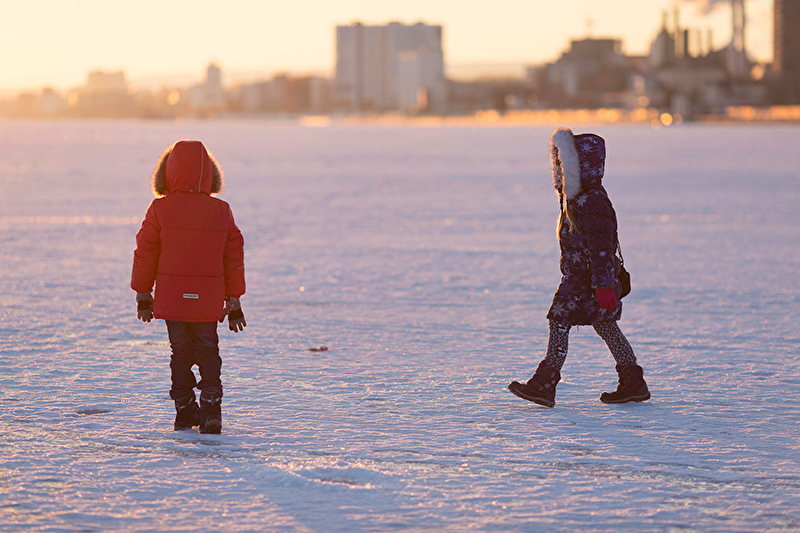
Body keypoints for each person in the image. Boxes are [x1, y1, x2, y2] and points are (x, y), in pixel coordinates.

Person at [508, 128, 649, 407]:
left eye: (566, 164)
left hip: (586, 280)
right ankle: (633, 382)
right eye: (558, 164)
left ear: (580, 166)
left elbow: (601, 247)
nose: (561, 170)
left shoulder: (592, 200)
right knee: (605, 325)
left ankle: (545, 384)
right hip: (582, 278)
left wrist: (603, 285)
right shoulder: (579, 199)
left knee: (559, 320)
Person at [131, 140, 246, 433]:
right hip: (207, 299)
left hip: (172, 300)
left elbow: (145, 252)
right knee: (208, 350)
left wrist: (143, 295)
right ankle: (211, 410)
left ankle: (184, 410)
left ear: (167, 174)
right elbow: (233, 257)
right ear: (210, 174)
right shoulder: (221, 210)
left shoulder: (159, 209)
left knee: (180, 352)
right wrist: (234, 300)